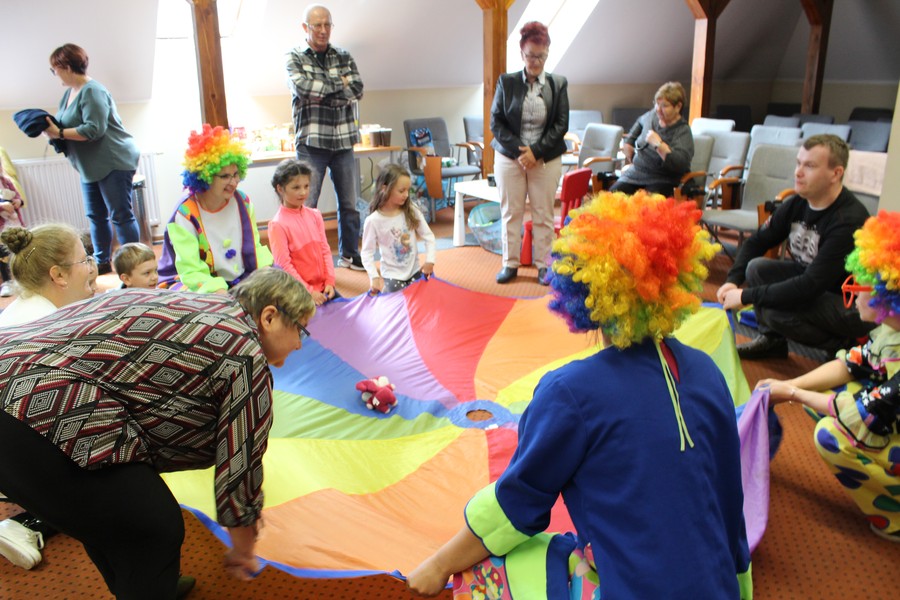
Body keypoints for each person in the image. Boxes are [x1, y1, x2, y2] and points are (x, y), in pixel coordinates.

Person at [407, 191, 751, 598]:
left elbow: (515, 507)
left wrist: (440, 564)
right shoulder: (707, 371)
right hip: (719, 587)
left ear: (584, 289)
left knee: (495, 564)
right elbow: (730, 498)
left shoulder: (569, 392)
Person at [0, 267, 315, 598]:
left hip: (15, 380)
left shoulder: (201, 308)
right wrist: (244, 549)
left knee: (113, 518)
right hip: (35, 409)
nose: (297, 345)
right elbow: (241, 469)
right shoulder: (245, 355)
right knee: (153, 527)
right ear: (269, 317)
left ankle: (143, 586)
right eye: (300, 331)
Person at [757, 211, 900, 542]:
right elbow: (850, 364)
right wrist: (790, 385)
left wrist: (791, 394)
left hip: (880, 409)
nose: (853, 289)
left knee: (831, 435)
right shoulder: (890, 330)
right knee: (829, 391)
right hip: (884, 409)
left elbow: (863, 410)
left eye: (861, 282)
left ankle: (893, 518)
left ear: (887, 295)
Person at [717, 134, 873, 359]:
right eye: (798, 163)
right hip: (814, 285)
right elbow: (757, 242)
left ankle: (844, 345)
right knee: (756, 268)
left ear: (835, 173)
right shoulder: (799, 202)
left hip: (848, 304)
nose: (798, 172)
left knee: (774, 313)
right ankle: (772, 341)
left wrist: (745, 296)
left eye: (809, 166)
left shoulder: (848, 220)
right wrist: (733, 280)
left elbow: (810, 286)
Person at [0, 223, 97, 571]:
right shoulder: (52, 328)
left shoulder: (21, 307)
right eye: (85, 259)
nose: (92, 266)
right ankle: (27, 523)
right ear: (58, 274)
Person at [41, 43, 141, 275]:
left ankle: (135, 267)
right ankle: (102, 263)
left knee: (121, 215)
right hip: (90, 166)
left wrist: (60, 133)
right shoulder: (69, 93)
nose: (54, 74)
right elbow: (64, 124)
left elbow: (94, 129)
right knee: (95, 216)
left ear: (65, 66)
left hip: (113, 161)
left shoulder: (93, 91)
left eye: (54, 68)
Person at [286, 4, 365, 271]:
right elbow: (303, 88)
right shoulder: (294, 57)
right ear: (305, 27)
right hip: (311, 144)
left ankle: (350, 255)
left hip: (343, 142)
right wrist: (338, 85)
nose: (322, 30)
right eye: (317, 25)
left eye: (327, 25)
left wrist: (326, 91)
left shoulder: (343, 55)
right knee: (306, 207)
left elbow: (357, 88)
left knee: (350, 205)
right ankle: (307, 264)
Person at [490, 21, 569, 286]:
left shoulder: (558, 84)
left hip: (545, 158)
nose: (535, 61)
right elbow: (496, 123)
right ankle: (510, 264)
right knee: (510, 212)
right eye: (530, 55)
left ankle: (544, 266)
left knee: (543, 214)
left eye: (541, 56)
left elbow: (561, 124)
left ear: (547, 53)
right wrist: (520, 152)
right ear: (521, 53)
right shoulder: (506, 82)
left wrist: (535, 152)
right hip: (509, 157)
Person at [157, 124, 273, 293]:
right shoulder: (185, 213)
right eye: (225, 176)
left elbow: (254, 246)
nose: (233, 182)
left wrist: (266, 274)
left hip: (241, 277)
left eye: (235, 174)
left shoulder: (242, 201)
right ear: (205, 176)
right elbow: (190, 270)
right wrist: (218, 291)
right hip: (193, 281)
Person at [268, 158, 338, 305]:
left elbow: (325, 250)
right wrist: (308, 291)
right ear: (280, 189)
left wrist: (330, 281)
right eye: (296, 187)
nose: (303, 192)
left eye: (306, 186)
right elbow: (284, 266)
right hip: (299, 291)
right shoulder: (277, 225)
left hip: (323, 288)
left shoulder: (315, 215)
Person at [361, 164, 435, 295]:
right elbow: (367, 253)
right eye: (401, 191)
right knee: (397, 307)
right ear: (385, 188)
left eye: (408, 190)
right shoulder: (373, 220)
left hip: (414, 272)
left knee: (420, 305)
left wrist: (430, 260)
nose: (406, 195)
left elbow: (428, 236)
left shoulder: (410, 209)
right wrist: (374, 277)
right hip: (392, 277)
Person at [610, 81, 694, 197]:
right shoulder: (652, 116)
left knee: (649, 206)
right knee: (612, 197)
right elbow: (639, 123)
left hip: (663, 179)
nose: (658, 110)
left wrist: (659, 145)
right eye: (657, 104)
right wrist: (629, 142)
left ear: (678, 106)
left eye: (664, 106)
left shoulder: (682, 131)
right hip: (636, 173)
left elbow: (680, 165)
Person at [0, 161, 26, 297]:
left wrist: (18, 202)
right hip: (2, 229)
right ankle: (7, 282)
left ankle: (24, 279)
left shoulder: (6, 182)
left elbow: (19, 198)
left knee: (21, 251)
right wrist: (2, 206)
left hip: (15, 224)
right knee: (3, 256)